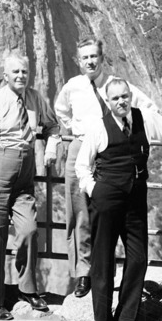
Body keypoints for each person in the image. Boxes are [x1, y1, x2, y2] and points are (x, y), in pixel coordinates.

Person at [0, 49, 53, 317]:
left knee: (28, 230)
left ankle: (27, 288)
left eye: (24, 71)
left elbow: (52, 126)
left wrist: (52, 145)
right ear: (5, 76)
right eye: (15, 71)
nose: (21, 76)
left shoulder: (36, 99)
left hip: (24, 177)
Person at [74, 76, 152, 321]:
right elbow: (82, 166)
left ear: (130, 96)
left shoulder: (140, 118)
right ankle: (103, 319)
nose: (121, 101)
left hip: (136, 200)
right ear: (108, 102)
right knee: (103, 261)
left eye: (124, 96)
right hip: (106, 200)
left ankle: (126, 316)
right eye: (116, 98)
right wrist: (94, 190)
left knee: (138, 258)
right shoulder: (98, 127)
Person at [53, 36, 111, 298]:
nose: (90, 61)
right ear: (79, 60)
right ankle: (82, 273)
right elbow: (61, 111)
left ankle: (103, 267)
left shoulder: (112, 85)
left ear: (102, 57)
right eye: (85, 57)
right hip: (79, 147)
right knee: (79, 213)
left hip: (105, 151)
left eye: (94, 56)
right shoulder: (73, 86)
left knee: (104, 209)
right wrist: (75, 134)